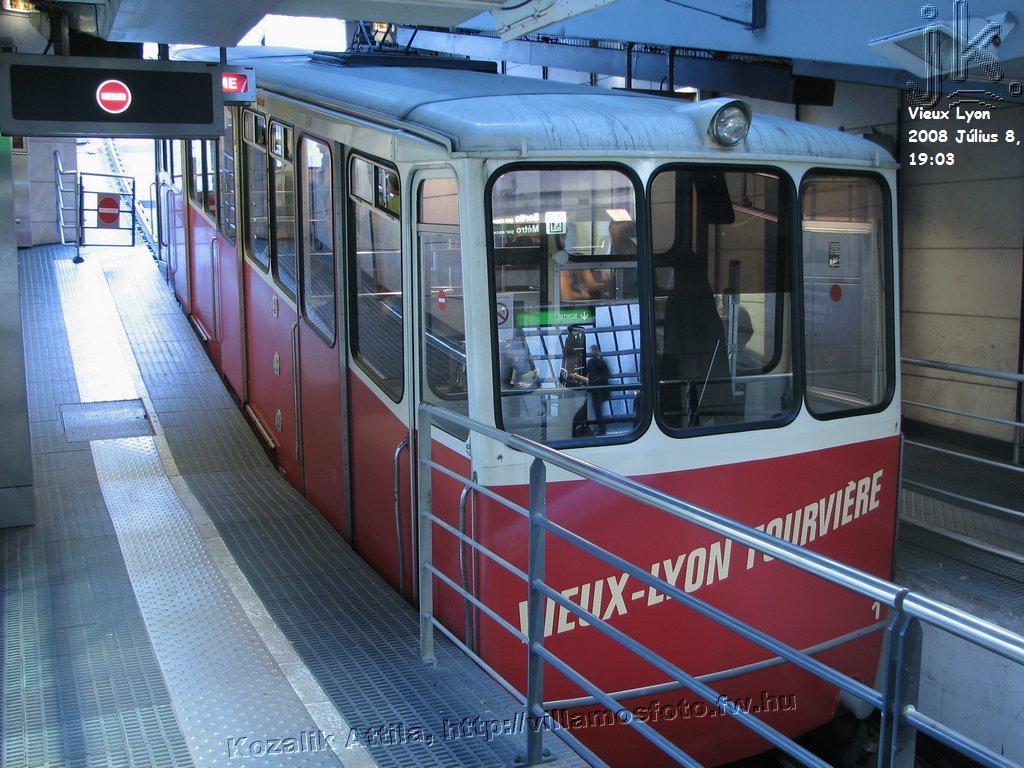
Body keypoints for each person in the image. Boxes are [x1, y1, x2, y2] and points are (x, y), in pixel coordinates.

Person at [584, 345, 611, 435]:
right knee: (597, 410)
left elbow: (587, 375)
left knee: (597, 410)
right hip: (599, 390)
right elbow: (606, 374)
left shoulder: (591, 362)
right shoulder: (601, 362)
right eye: (593, 350)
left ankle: (600, 429)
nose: (593, 352)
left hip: (596, 390)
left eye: (594, 350)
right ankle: (601, 429)